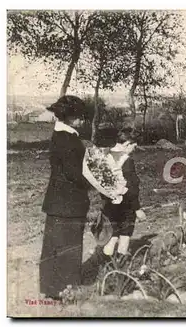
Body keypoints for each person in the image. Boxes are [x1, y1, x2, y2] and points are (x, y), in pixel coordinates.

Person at [40, 95, 90, 300]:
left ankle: (51, 288)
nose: (83, 120)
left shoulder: (60, 135)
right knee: (68, 245)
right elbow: (73, 173)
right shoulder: (69, 139)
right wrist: (95, 182)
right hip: (69, 201)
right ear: (70, 117)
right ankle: (65, 289)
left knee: (54, 245)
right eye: (80, 117)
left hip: (57, 201)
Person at [101, 127, 146, 258]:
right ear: (127, 144)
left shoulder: (105, 155)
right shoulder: (126, 161)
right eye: (133, 147)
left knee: (113, 234)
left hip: (109, 203)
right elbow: (131, 187)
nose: (133, 150)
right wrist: (137, 208)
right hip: (126, 204)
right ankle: (120, 266)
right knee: (125, 233)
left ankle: (106, 263)